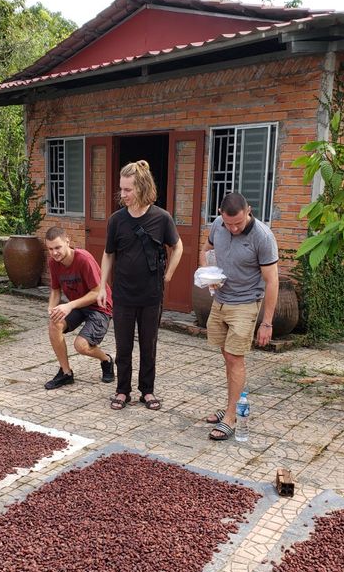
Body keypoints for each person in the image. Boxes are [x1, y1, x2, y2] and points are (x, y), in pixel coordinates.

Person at [97, 160, 183, 411]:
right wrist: (102, 286)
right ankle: (122, 390)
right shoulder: (116, 221)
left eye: (128, 190)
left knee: (149, 345)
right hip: (123, 293)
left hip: (151, 294)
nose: (122, 195)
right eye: (121, 189)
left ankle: (147, 390)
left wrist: (169, 274)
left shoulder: (161, 218)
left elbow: (177, 246)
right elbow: (108, 253)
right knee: (124, 345)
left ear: (142, 187)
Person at [200, 192, 279, 440]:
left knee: (235, 358)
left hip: (245, 304)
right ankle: (230, 406)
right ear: (221, 216)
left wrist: (267, 322)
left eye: (238, 223)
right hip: (221, 299)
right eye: (228, 223)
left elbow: (272, 280)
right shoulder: (218, 225)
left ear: (248, 211)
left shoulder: (263, 237)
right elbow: (207, 249)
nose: (233, 229)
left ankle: (231, 417)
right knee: (227, 356)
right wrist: (207, 273)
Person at [44, 226, 115, 389]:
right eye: (50, 249)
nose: (54, 253)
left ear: (67, 242)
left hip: (100, 307)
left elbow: (97, 292)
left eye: (57, 247)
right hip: (78, 306)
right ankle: (66, 373)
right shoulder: (53, 263)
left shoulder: (84, 259)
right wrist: (51, 308)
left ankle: (107, 360)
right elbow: (55, 290)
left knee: (80, 346)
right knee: (54, 324)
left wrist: (69, 305)